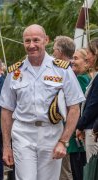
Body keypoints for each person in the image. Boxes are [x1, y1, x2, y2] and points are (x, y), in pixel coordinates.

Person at [0, 24, 85, 180]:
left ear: (46, 40)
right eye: (27, 41)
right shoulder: (14, 72)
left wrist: (63, 141)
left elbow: (74, 107)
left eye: (36, 40)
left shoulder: (62, 70)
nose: (31, 45)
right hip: (22, 133)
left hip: (51, 134)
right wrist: (6, 146)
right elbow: (6, 110)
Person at [53, 35, 76, 180]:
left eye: (54, 49)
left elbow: (72, 107)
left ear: (60, 52)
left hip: (63, 128)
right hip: (58, 129)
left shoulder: (67, 73)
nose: (53, 52)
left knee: (64, 170)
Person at [76, 38, 98, 162]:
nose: (86, 57)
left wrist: (80, 126)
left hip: (94, 131)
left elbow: (93, 105)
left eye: (89, 53)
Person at [69, 48, 89, 180]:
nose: (72, 61)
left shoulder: (81, 79)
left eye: (76, 58)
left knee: (79, 173)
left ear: (86, 62)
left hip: (77, 135)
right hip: (79, 134)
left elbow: (77, 105)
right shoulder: (86, 78)